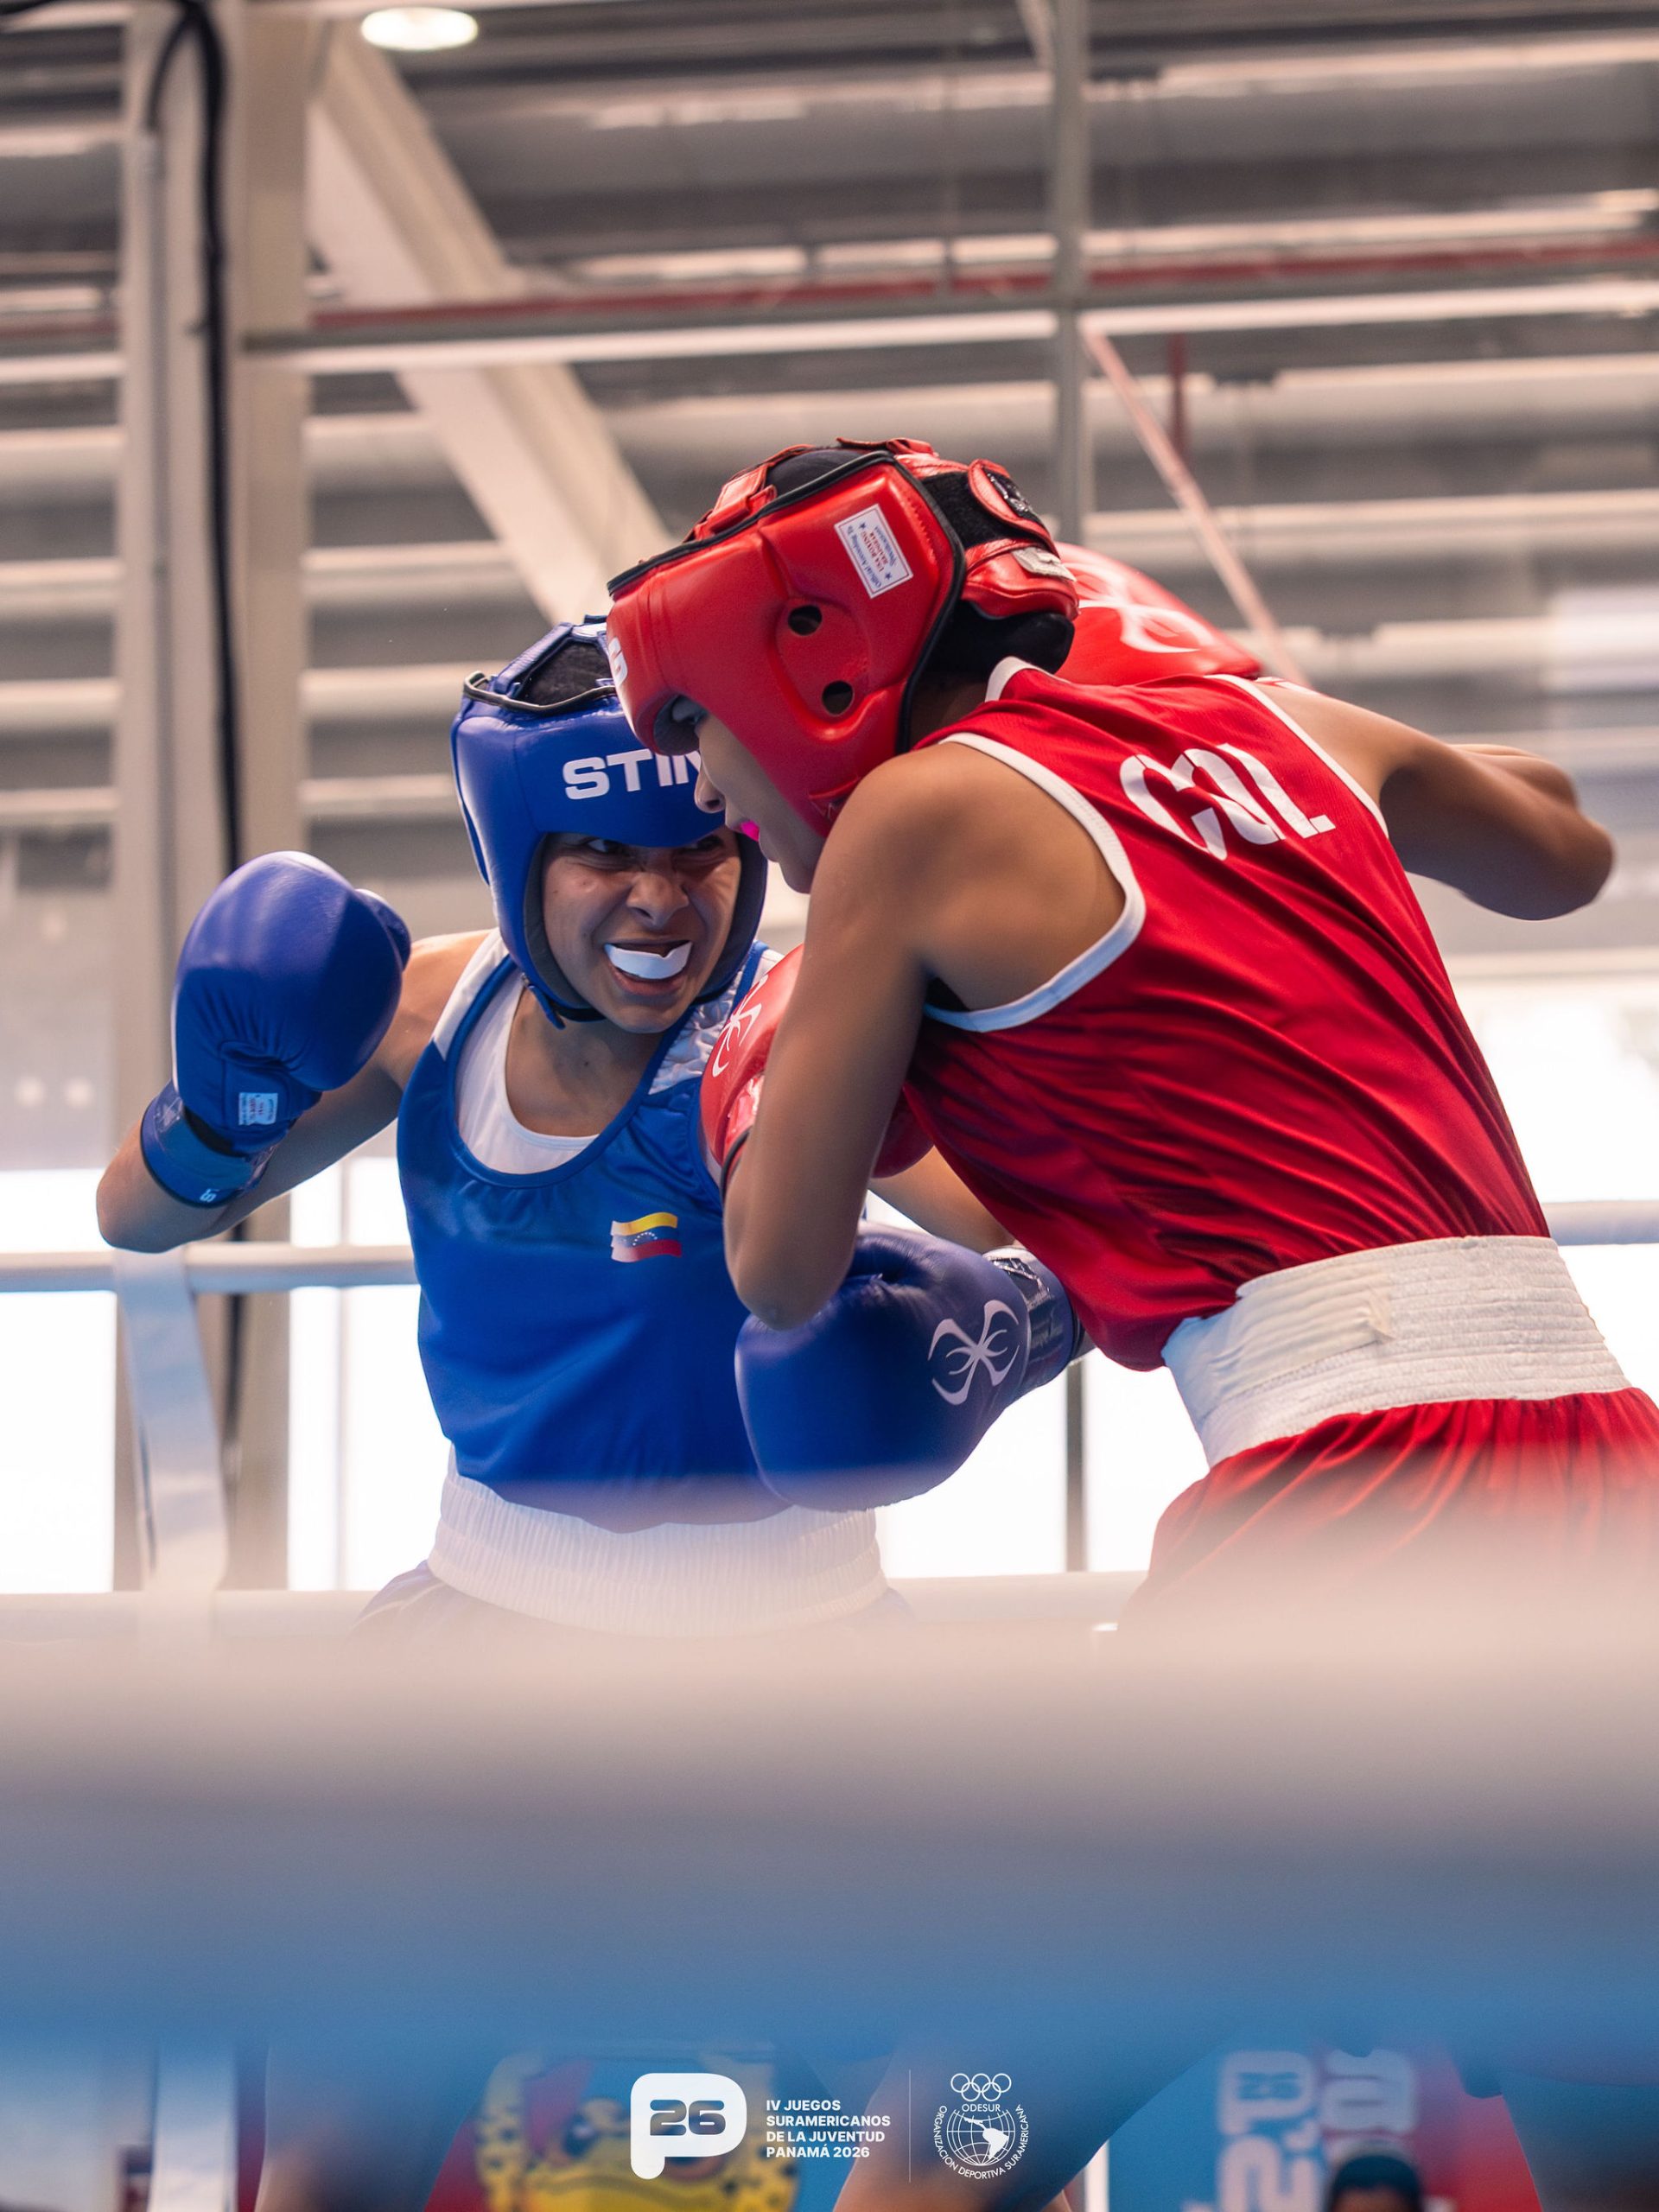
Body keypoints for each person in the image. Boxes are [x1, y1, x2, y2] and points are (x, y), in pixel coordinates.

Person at [601, 438, 1659, 2209]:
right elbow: (1564, 851)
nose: (703, 790)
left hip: (1358, 1508)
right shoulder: (1274, 730)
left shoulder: (912, 817)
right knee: (1612, 2134)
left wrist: (756, 1069)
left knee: (945, 2144)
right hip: (1611, 1480)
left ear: (804, 659)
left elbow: (780, 1265)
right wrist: (1282, 716)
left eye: (697, 727)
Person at [95, 615, 1079, 2212]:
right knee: (340, 2157)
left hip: (812, 1659)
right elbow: (143, 1220)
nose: (659, 898)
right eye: (605, 854)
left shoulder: (802, 1031)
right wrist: (227, 1101)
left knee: (961, 2122)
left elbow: (1020, 1215)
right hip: (490, 1636)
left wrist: (1018, 1317)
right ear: (518, 862)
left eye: (699, 849)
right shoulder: (422, 1018)